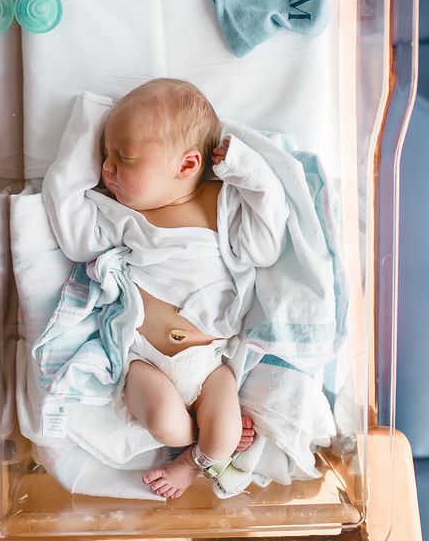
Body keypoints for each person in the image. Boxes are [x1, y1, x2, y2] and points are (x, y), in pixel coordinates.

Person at [42, 78, 290, 499]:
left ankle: (192, 462)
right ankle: (195, 444)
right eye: (105, 155)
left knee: (225, 433)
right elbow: (73, 234)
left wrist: (250, 172)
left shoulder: (221, 205)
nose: (107, 168)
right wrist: (85, 122)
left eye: (125, 157)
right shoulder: (121, 213)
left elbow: (267, 245)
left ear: (188, 165)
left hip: (209, 361)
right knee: (165, 423)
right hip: (144, 358)